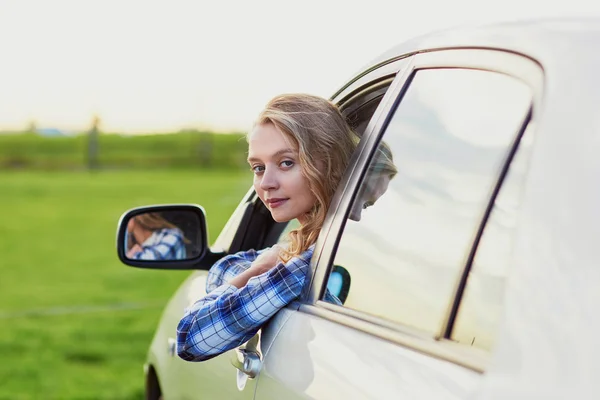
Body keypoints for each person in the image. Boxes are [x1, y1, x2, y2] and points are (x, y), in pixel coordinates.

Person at [176, 93, 358, 362]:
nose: (265, 183)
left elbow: (191, 338)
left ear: (329, 163)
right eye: (258, 167)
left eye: (286, 163)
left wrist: (257, 270)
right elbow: (224, 267)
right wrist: (257, 268)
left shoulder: (303, 267)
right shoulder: (324, 245)